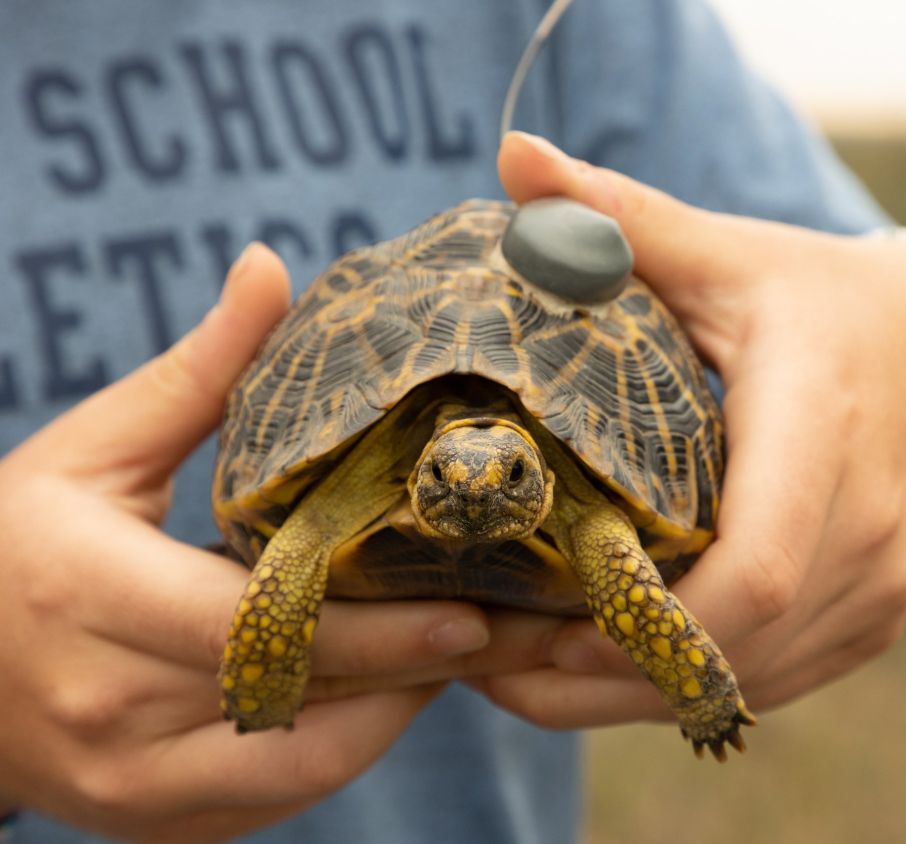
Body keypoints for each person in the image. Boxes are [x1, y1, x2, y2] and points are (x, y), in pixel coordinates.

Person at [1, 1, 904, 842]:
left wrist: (882, 337)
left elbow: (860, 311)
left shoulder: (583, 20)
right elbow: (292, 552)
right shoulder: (341, 502)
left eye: (507, 475)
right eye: (447, 476)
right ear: (419, 469)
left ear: (538, 473)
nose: (474, 494)